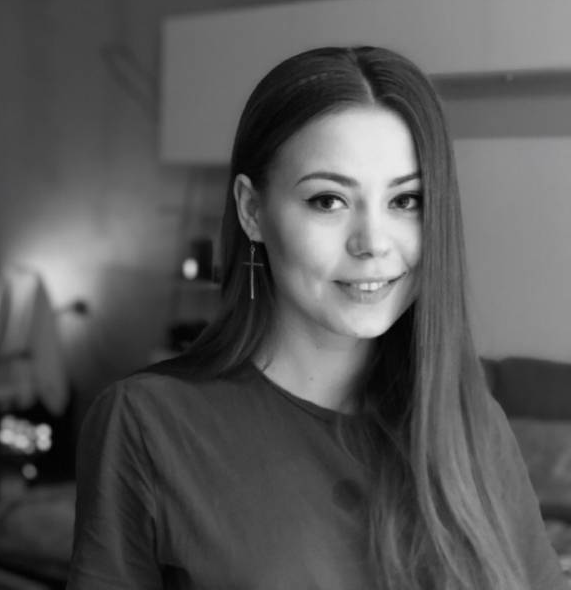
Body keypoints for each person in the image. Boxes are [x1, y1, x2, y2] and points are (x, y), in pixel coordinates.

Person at [66, 46, 567, 590]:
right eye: (328, 200)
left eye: (405, 201)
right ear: (252, 210)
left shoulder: (473, 424)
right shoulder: (147, 423)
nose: (372, 243)